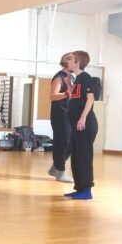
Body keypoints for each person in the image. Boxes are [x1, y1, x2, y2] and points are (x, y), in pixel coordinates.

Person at [65, 50, 98, 200]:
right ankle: (79, 188)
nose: (68, 62)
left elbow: (90, 99)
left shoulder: (85, 78)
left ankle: (87, 190)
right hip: (76, 124)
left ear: (77, 62)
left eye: (71, 60)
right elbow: (77, 98)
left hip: (85, 124)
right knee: (76, 156)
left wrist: (83, 118)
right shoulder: (77, 79)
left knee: (84, 156)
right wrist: (69, 86)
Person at [48, 53, 76, 184]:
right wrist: (66, 93)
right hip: (59, 115)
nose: (75, 64)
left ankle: (55, 167)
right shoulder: (59, 77)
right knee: (62, 143)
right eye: (73, 61)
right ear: (66, 62)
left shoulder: (71, 77)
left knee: (71, 143)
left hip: (68, 114)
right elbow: (53, 96)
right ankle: (60, 173)